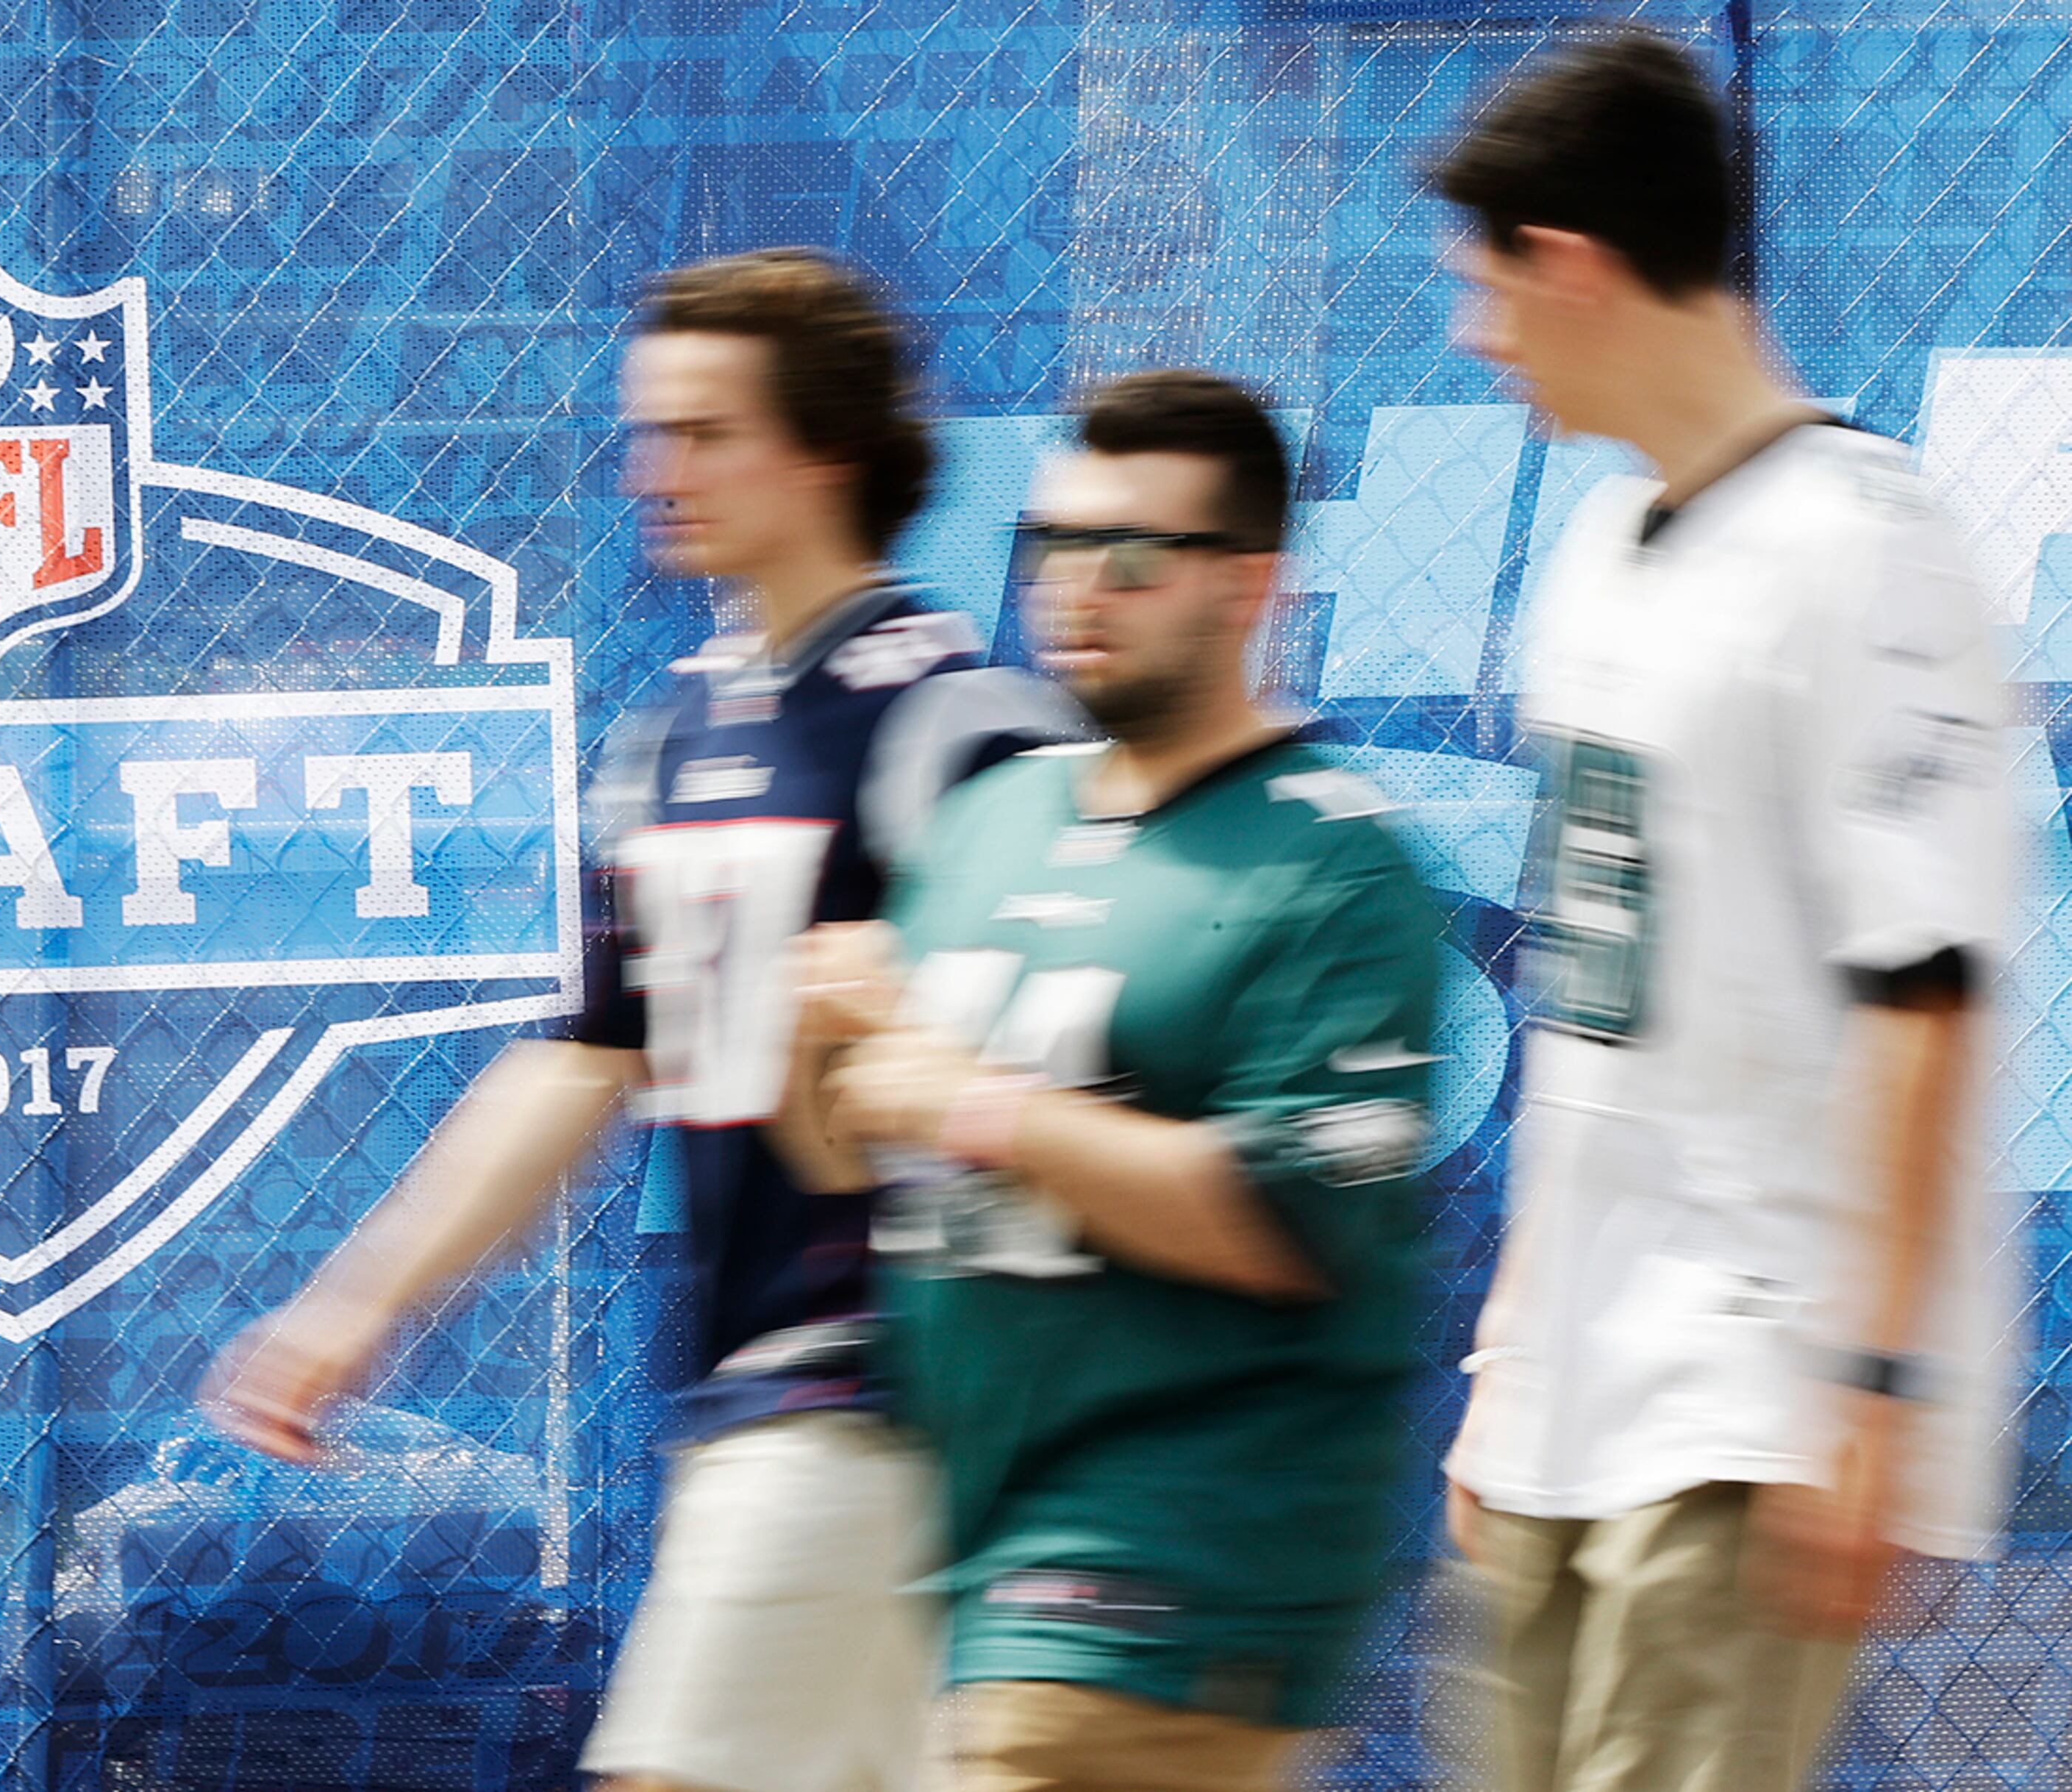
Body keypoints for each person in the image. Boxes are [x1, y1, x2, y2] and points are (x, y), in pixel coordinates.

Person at [201, 246, 1082, 1792]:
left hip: (887, 1389)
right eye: (646, 431)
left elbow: (1068, 1063)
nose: (651, 469)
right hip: (773, 1404)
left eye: (702, 433)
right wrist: (362, 1300)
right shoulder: (675, 738)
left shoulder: (959, 723)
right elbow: (582, 1057)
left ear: (828, 453)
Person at [1431, 32, 2015, 1792]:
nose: (1474, 338)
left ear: (1575, 267)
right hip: (1567, 1394)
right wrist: (1510, 1349)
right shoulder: (1601, 554)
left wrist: (1870, 1383)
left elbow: (1926, 996)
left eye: (1486, 289)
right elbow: (1595, 1014)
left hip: (1753, 1392)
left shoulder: (1872, 548)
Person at [799, 368, 1443, 1792]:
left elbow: (1288, 1219)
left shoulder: (1335, 865)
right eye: (1055, 547)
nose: (1080, 587)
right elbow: (855, 1149)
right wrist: (821, 1035)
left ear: (1251, 584)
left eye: (1133, 555)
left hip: (1180, 1554)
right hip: (976, 1542)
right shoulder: (992, 819)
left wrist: (967, 1099)